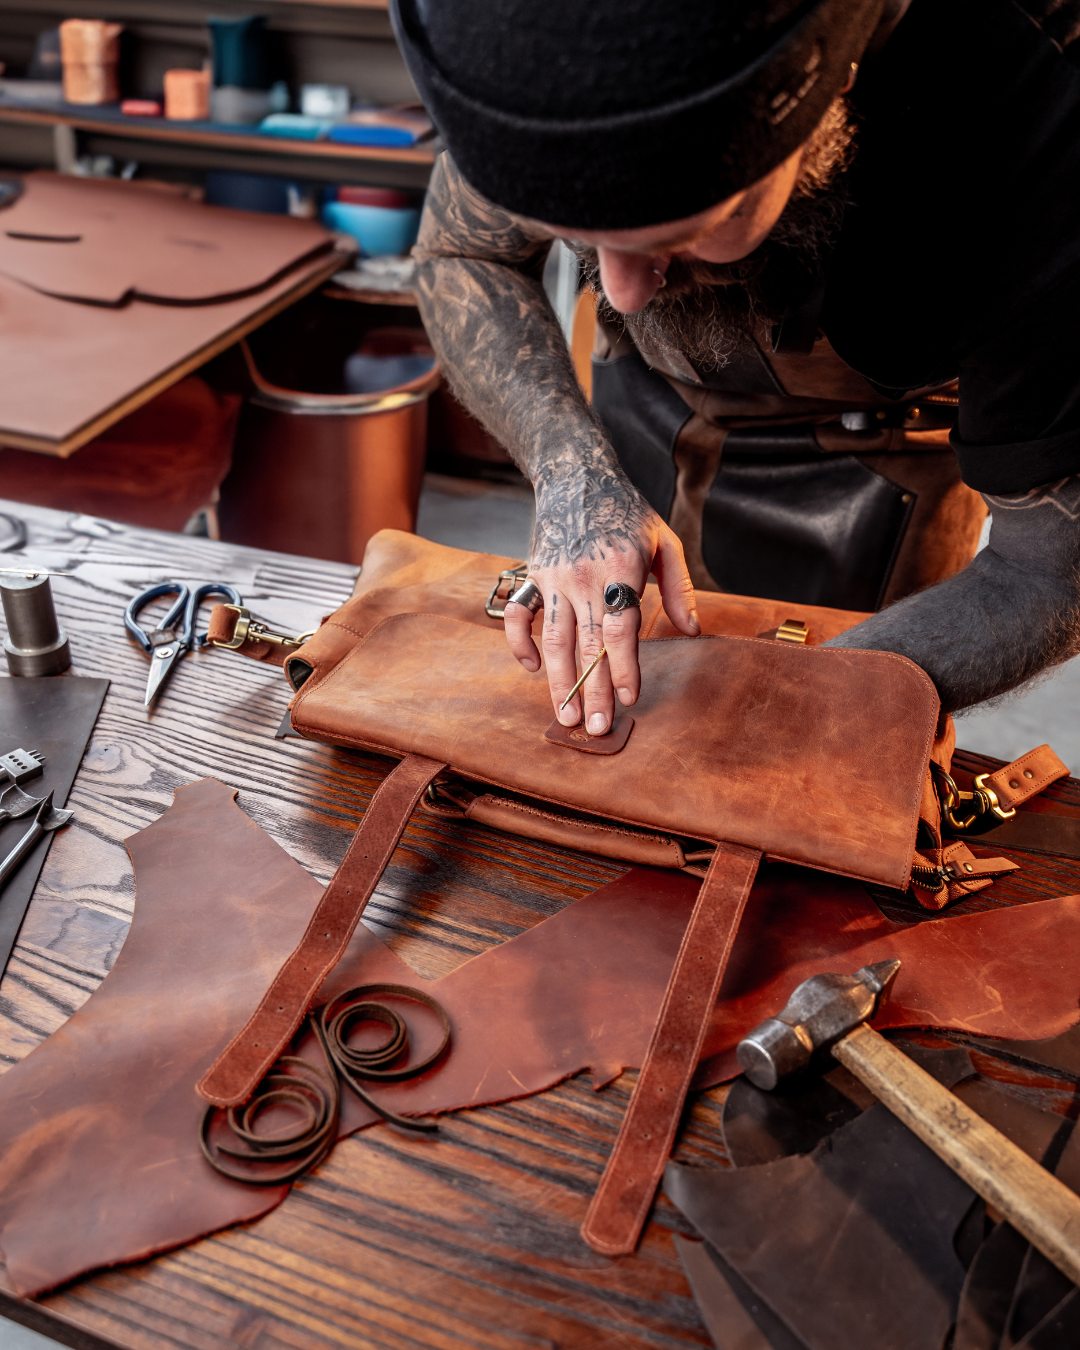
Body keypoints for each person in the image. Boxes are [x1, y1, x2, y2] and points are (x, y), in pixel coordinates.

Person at [394, 0, 1080, 737]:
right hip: (643, 392)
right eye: (580, 240)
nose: (619, 293)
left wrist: (777, 704)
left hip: (873, 461)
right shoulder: (520, 41)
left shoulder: (1044, 126)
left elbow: (1048, 575)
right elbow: (464, 252)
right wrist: (572, 472)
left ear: (832, 86)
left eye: (688, 231)